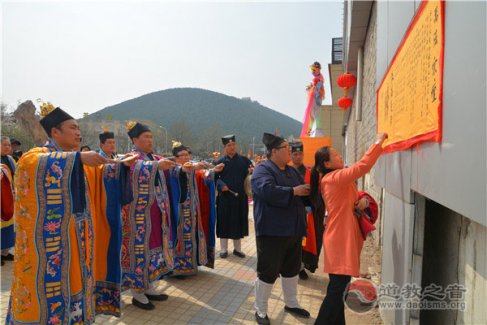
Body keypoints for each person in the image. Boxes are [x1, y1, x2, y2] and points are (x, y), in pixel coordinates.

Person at [6, 103, 109, 325]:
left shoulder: (70, 156)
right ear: (55, 132)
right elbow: (28, 165)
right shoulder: (40, 155)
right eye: (72, 127)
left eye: (78, 128)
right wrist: (77, 159)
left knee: (76, 283)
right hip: (51, 244)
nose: (78, 132)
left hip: (77, 236)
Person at [314, 132, 388, 325]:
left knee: (340, 289)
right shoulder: (333, 178)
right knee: (337, 291)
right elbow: (362, 167)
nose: (340, 155)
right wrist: (378, 143)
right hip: (339, 239)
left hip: (340, 236)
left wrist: (361, 201)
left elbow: (348, 200)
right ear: (327, 164)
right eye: (336, 154)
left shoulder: (335, 179)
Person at [251, 133, 311, 325]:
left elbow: (302, 192)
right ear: (274, 151)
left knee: (291, 269)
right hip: (272, 231)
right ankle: (260, 310)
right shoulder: (262, 170)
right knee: (268, 272)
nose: (291, 151)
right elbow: (267, 191)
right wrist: (293, 191)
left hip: (293, 229)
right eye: (286, 148)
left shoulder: (292, 171)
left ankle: (291, 303)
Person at [122, 121, 176, 310]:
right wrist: (155, 166)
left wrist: (182, 168)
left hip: (156, 214)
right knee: (140, 251)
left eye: (151, 136)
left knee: (155, 248)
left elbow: (167, 167)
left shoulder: (153, 156)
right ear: (135, 139)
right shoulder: (130, 158)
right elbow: (135, 169)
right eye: (146, 137)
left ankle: (149, 286)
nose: (150, 140)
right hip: (139, 216)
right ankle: (137, 292)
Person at [83, 129, 135, 316]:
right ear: (102, 144)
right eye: (110, 143)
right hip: (102, 211)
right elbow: (102, 172)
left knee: (115, 248)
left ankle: (114, 287)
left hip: (114, 208)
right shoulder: (97, 159)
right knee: (104, 249)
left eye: (114, 143)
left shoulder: (112, 158)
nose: (113, 146)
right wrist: (119, 165)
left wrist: (123, 164)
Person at [168, 141, 224, 276]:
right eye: (182, 155)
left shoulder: (192, 169)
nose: (186, 158)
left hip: (193, 210)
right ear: (175, 158)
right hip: (178, 212)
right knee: (180, 237)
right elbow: (176, 175)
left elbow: (202, 176)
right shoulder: (172, 169)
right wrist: (189, 168)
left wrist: (213, 171)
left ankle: (192, 264)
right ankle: (177, 268)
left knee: (193, 236)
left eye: (187, 154)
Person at [290, 141, 325, 280]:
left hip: (306, 213)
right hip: (290, 212)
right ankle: (289, 266)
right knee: (291, 241)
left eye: (300, 154)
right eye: (295, 154)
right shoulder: (286, 171)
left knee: (305, 241)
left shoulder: (311, 173)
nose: (298, 157)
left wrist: (312, 205)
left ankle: (301, 267)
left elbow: (316, 193)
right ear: (291, 155)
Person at [215, 135, 253, 258]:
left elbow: (251, 175)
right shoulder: (219, 162)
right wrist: (221, 185)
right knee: (224, 222)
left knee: (238, 222)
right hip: (225, 198)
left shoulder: (244, 161)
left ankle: (237, 249)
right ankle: (223, 249)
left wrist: (252, 171)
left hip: (240, 198)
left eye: (234, 144)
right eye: (229, 145)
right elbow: (214, 178)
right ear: (225, 147)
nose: (232, 147)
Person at [1, 136, 15, 266]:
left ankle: (4, 252)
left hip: (10, 197)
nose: (7, 147)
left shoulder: (10, 159)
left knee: (10, 226)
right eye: (4, 144)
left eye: (8, 145)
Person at [301, 61, 325, 137]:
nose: (313, 72)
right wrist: (311, 87)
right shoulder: (318, 78)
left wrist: (315, 92)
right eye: (312, 70)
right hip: (315, 95)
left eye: (314, 70)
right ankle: (312, 128)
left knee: (314, 112)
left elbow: (318, 87)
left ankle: (314, 127)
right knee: (312, 112)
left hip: (316, 95)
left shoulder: (319, 78)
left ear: (318, 70)